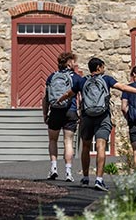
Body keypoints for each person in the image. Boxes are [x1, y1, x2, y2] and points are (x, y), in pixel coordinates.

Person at [53, 56, 136, 191]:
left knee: (86, 147)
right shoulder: (106, 79)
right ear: (99, 68)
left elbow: (69, 93)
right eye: (103, 66)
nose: (104, 69)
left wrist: (60, 99)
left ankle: (86, 177)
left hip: (87, 116)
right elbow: (123, 87)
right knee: (101, 146)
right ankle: (99, 180)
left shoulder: (82, 81)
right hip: (102, 116)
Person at [41, 52, 80, 181]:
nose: (75, 64)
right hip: (70, 111)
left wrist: (45, 114)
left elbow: (45, 98)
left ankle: (53, 169)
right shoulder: (76, 77)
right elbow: (81, 96)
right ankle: (68, 172)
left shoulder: (52, 76)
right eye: (73, 61)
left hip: (55, 111)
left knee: (53, 140)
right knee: (68, 141)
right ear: (69, 63)